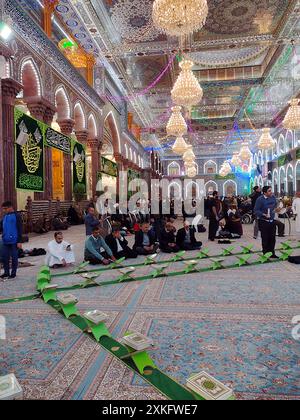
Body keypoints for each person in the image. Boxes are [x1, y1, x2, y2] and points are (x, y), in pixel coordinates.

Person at [0, 201, 23, 279]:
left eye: (5, 209)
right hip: (5, 241)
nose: (4, 210)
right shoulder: (4, 217)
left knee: (14, 257)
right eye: (3, 209)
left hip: (14, 241)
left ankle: (13, 273)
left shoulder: (17, 216)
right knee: (4, 257)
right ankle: (6, 272)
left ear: (10, 207)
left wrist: (19, 241)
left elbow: (20, 229)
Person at [254, 186, 278, 258]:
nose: (271, 192)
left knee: (272, 238)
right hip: (263, 221)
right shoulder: (260, 199)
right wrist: (263, 214)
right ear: (264, 193)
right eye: (269, 191)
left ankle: (272, 253)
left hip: (272, 221)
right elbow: (256, 210)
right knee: (265, 238)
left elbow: (275, 206)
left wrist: (277, 209)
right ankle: (265, 254)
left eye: (271, 190)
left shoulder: (273, 197)